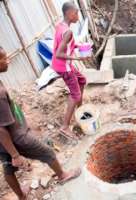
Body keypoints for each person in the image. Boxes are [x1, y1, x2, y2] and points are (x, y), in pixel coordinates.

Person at [0, 46, 81, 200]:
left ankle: (21, 196)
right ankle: (63, 175)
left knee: (8, 167)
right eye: (4, 59)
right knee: (48, 153)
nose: (8, 60)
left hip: (3, 142)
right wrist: (16, 154)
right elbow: (1, 129)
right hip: (17, 137)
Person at [52, 1, 88, 139]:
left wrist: (79, 46)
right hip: (64, 67)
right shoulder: (68, 32)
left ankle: (79, 110)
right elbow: (59, 53)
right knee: (76, 94)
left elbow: (64, 46)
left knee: (82, 80)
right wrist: (79, 59)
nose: (77, 15)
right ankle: (65, 127)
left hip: (63, 65)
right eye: (76, 12)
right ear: (69, 13)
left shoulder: (61, 26)